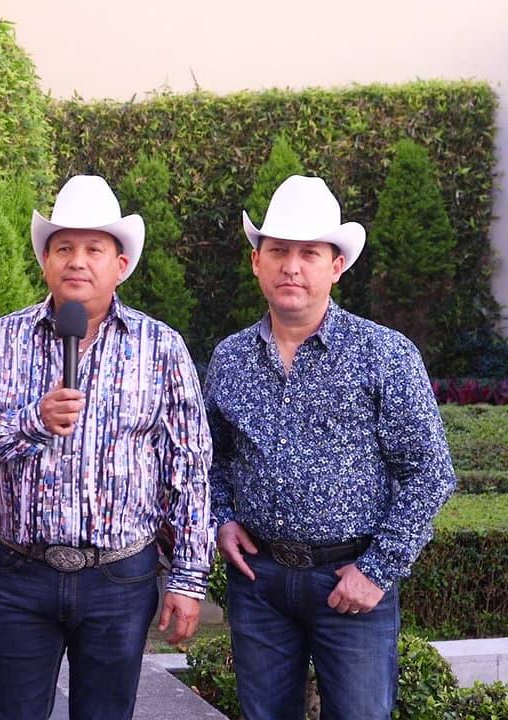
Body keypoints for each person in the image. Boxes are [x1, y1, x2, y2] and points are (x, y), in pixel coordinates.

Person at [0, 175, 212, 720]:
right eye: (64, 247)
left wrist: (188, 578)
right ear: (45, 260)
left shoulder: (161, 347)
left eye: (94, 249)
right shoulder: (2, 339)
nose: (77, 261)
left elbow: (189, 469)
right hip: (24, 574)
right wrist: (32, 421)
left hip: (119, 577)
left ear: (120, 265)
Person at [206, 174, 456, 720]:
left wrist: (378, 569)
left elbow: (430, 471)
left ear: (336, 266)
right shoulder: (230, 359)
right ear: (257, 262)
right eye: (278, 251)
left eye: (309, 254)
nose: (291, 267)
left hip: (351, 579)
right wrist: (222, 517)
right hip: (260, 582)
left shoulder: (383, 354)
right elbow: (215, 456)